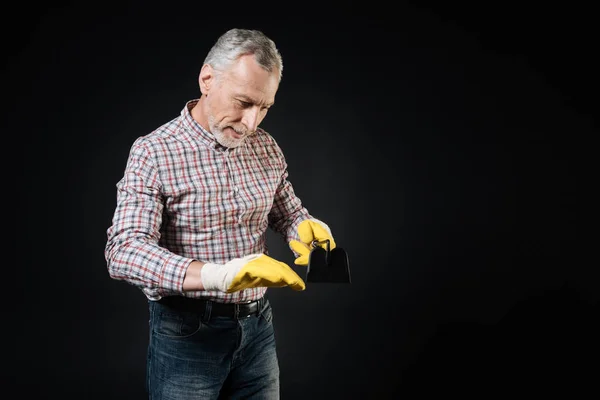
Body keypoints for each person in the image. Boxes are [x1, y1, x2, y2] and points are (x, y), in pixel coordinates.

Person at [104, 28, 337, 399]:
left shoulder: (265, 146)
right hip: (186, 334)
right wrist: (217, 275)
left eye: (264, 108)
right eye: (244, 102)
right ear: (207, 79)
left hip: (258, 327)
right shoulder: (154, 152)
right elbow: (124, 251)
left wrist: (303, 226)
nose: (252, 123)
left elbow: (287, 211)